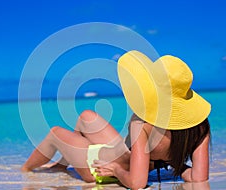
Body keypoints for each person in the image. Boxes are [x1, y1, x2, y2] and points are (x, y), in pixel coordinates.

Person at [21, 50, 211, 189]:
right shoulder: (200, 127)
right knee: (86, 116)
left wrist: (115, 170)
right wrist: (172, 163)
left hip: (99, 168)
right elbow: (198, 178)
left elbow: (137, 184)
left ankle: (24, 170)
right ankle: (61, 166)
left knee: (55, 133)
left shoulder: (142, 124)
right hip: (122, 155)